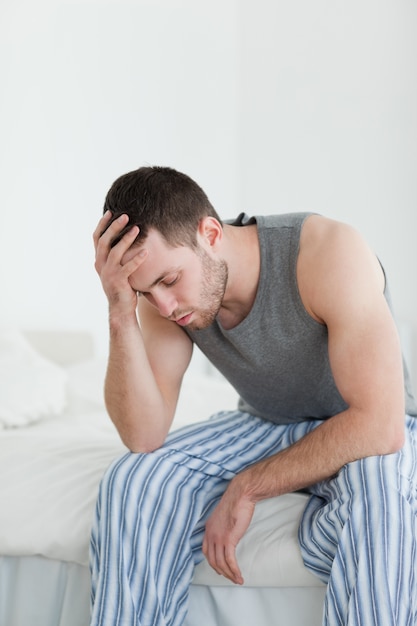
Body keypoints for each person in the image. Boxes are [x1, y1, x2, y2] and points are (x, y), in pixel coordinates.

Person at [91, 165, 417, 626]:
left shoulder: (328, 252)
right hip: (266, 421)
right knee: (134, 480)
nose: (163, 306)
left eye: (168, 281)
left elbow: (381, 423)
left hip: (362, 424)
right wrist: (120, 309)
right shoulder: (162, 304)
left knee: (383, 495)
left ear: (210, 233)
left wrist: (250, 485)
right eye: (146, 291)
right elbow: (144, 435)